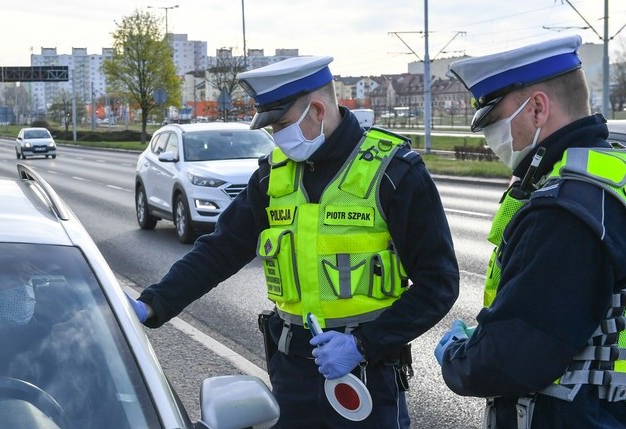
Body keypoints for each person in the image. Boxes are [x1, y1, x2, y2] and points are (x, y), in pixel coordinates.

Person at [127, 55, 459, 428]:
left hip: (366, 375)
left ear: (317, 110)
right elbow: (220, 249)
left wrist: (363, 344)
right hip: (291, 375)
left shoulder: (394, 172)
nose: (277, 138)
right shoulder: (273, 176)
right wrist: (152, 304)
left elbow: (438, 283)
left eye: (282, 125)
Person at [435, 35, 626, 428]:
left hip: (571, 416)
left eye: (493, 122)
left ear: (537, 108)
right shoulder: (610, 173)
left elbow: (516, 357)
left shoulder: (563, 211)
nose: (490, 141)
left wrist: (458, 356)